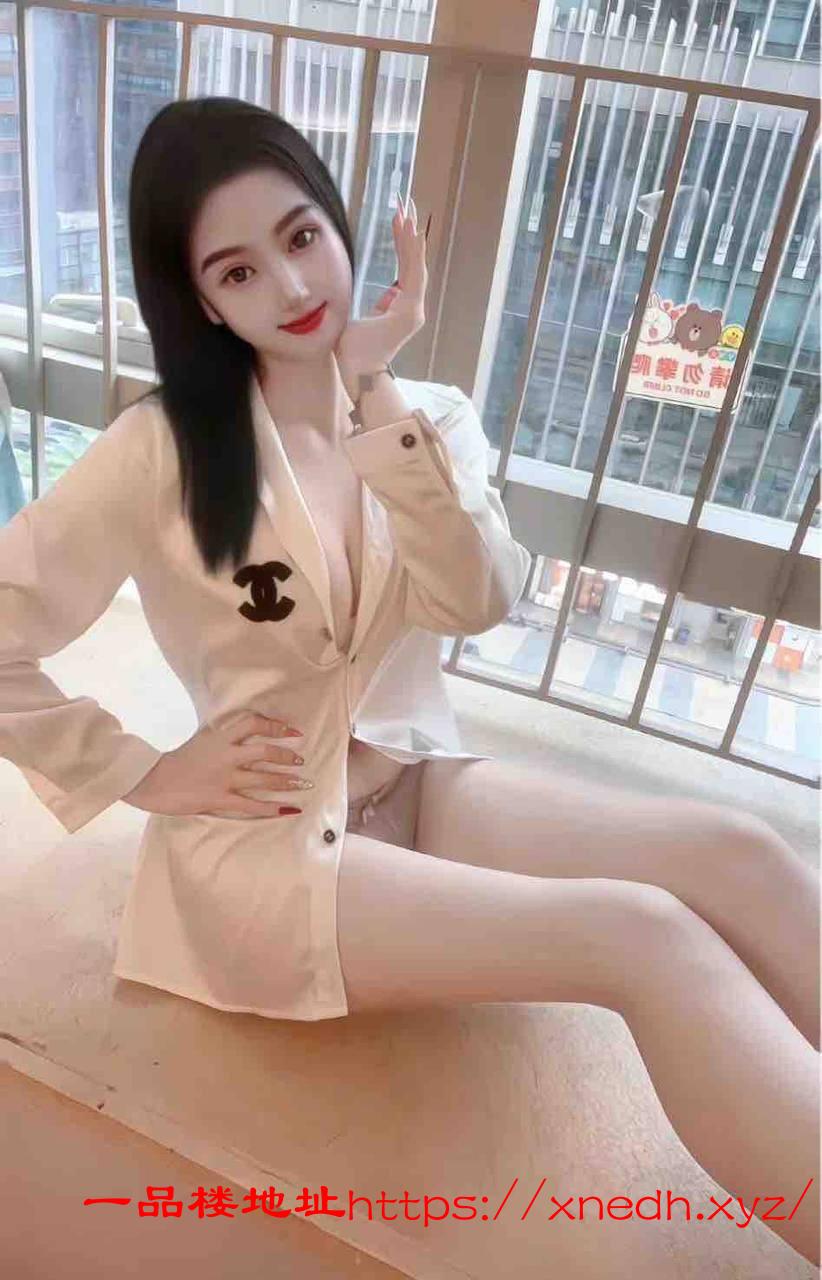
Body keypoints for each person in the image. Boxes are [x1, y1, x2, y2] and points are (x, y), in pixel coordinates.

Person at [0, 96, 818, 1265]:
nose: (292, 287)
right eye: (238, 271)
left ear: (340, 224)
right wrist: (145, 771)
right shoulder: (162, 449)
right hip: (267, 850)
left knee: (739, 850)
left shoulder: (428, 418)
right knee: (640, 936)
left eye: (301, 236)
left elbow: (478, 598)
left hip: (414, 780)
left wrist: (375, 395)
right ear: (203, 301)